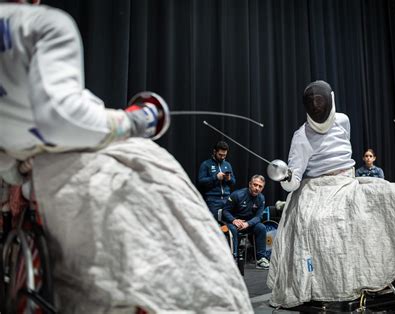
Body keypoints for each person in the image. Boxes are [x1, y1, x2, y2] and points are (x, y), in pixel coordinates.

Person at [0, 2, 252, 312]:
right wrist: (137, 120)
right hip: (73, 171)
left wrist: (14, 176)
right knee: (163, 186)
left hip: (31, 180)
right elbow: (63, 121)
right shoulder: (43, 24)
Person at [267, 80, 395, 308]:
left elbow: (344, 150)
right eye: (313, 105)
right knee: (317, 222)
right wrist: (287, 177)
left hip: (347, 181)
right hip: (317, 187)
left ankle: (382, 271)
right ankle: (329, 282)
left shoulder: (343, 120)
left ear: (330, 99)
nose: (318, 108)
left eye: (321, 103)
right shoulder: (301, 136)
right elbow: (294, 183)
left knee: (388, 194)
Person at [222, 174, 269, 269]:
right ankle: (233, 258)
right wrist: (234, 220)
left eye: (260, 186)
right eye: (255, 185)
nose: (257, 188)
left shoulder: (261, 198)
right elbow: (225, 211)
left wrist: (247, 224)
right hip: (235, 223)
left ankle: (261, 259)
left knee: (261, 227)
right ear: (250, 184)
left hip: (248, 224)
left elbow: (259, 216)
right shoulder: (237, 195)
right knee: (232, 230)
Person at [198, 141, 236, 221]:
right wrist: (216, 177)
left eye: (224, 155)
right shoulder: (206, 164)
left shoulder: (227, 165)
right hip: (212, 200)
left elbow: (233, 182)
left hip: (227, 199)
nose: (222, 157)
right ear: (215, 152)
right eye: (220, 155)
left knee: (229, 225)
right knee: (215, 225)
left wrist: (229, 179)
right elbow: (201, 181)